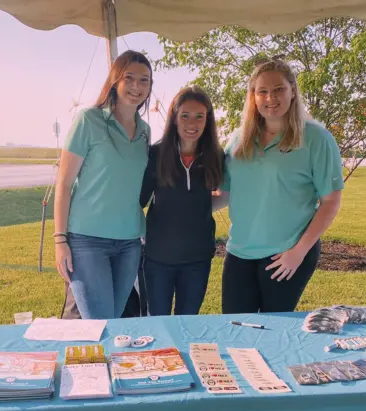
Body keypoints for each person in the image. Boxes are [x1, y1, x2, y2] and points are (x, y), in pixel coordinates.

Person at [217, 57, 343, 313]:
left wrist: (298, 252)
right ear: (253, 96)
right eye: (262, 91)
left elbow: (330, 201)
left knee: (275, 337)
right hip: (239, 252)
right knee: (237, 332)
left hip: (285, 255)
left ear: (293, 91)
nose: (270, 98)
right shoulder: (238, 140)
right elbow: (225, 193)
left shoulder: (316, 139)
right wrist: (179, 213)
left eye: (278, 89)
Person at [53, 50, 152, 319]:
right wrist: (60, 240)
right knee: (99, 323)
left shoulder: (145, 131)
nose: (136, 86)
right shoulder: (89, 120)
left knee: (115, 322)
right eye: (129, 78)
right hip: (87, 240)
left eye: (144, 80)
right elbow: (64, 184)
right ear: (114, 81)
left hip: (130, 241)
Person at [139, 86, 224, 316]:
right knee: (158, 324)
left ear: (208, 120)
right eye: (185, 115)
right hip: (158, 259)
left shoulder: (216, 156)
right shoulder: (155, 155)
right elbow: (138, 203)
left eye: (200, 116)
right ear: (174, 118)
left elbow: (226, 193)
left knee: (188, 322)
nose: (192, 123)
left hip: (198, 259)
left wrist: (201, 209)